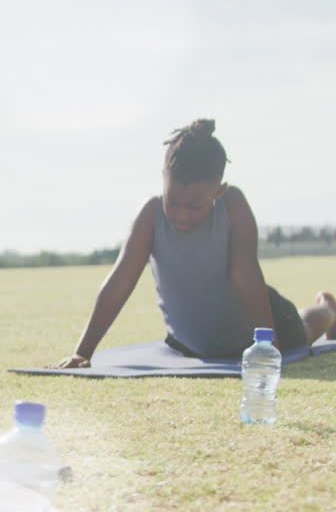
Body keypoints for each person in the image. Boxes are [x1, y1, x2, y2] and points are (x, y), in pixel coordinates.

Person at [51, 119, 336, 368]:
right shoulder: (150, 215)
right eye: (173, 202)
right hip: (192, 344)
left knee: (307, 327)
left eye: (195, 205)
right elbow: (120, 282)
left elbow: (246, 274)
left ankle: (328, 309)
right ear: (164, 180)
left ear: (219, 191)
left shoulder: (233, 204)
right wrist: (82, 352)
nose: (182, 215)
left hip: (258, 324)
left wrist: (266, 340)